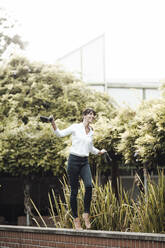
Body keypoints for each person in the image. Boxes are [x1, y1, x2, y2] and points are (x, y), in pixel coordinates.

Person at [50, 108, 106, 230]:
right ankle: (76, 219)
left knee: (89, 186)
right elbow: (59, 134)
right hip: (73, 161)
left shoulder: (91, 131)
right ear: (84, 115)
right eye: (90, 114)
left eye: (93, 115)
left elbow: (90, 148)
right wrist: (53, 123)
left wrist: (99, 152)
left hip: (84, 161)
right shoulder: (76, 127)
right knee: (74, 191)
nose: (92, 116)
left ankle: (86, 214)